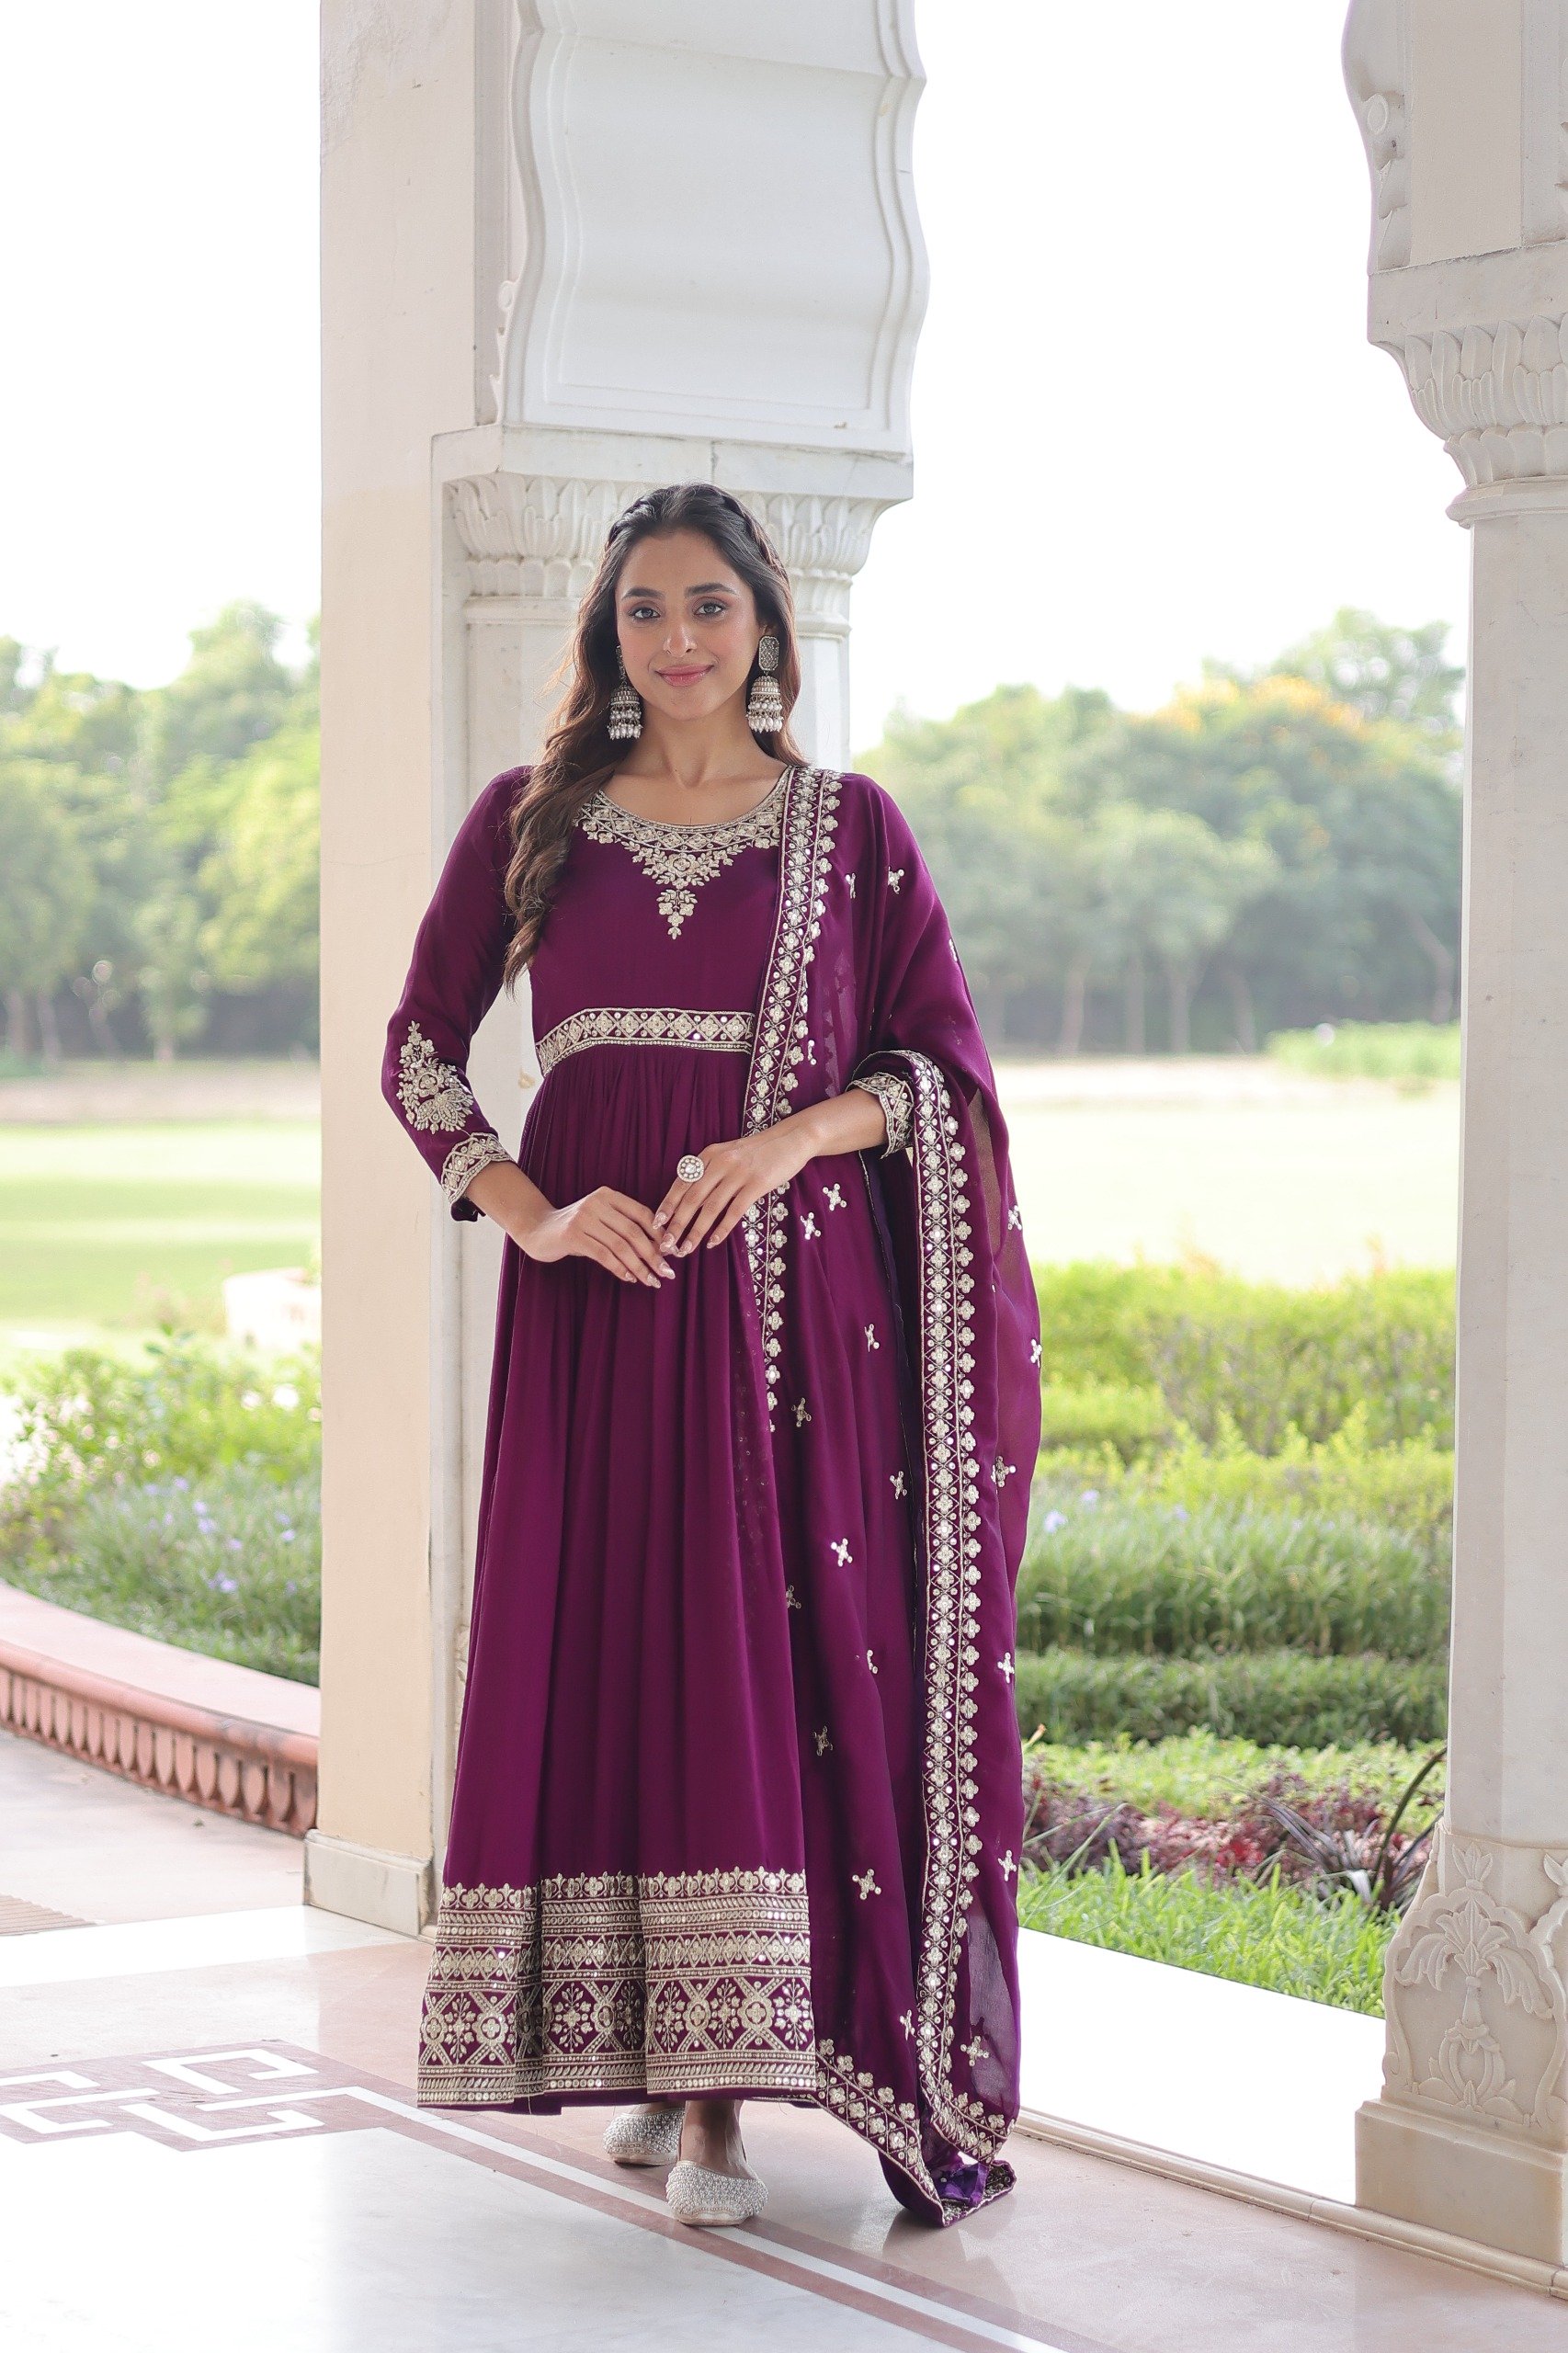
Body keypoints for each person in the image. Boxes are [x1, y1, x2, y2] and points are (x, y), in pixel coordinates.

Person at [381, 483, 1041, 2230]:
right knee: (616, 1636)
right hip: (596, 1309)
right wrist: (529, 1213)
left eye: (708, 607)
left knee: (748, 1651)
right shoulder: (532, 821)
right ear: (606, 634)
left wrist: (784, 1141)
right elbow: (420, 1051)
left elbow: (936, 1074)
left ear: (762, 626)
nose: (676, 639)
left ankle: (720, 2106)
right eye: (645, 610)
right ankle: (646, 2053)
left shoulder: (847, 829)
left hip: (785, 1316)